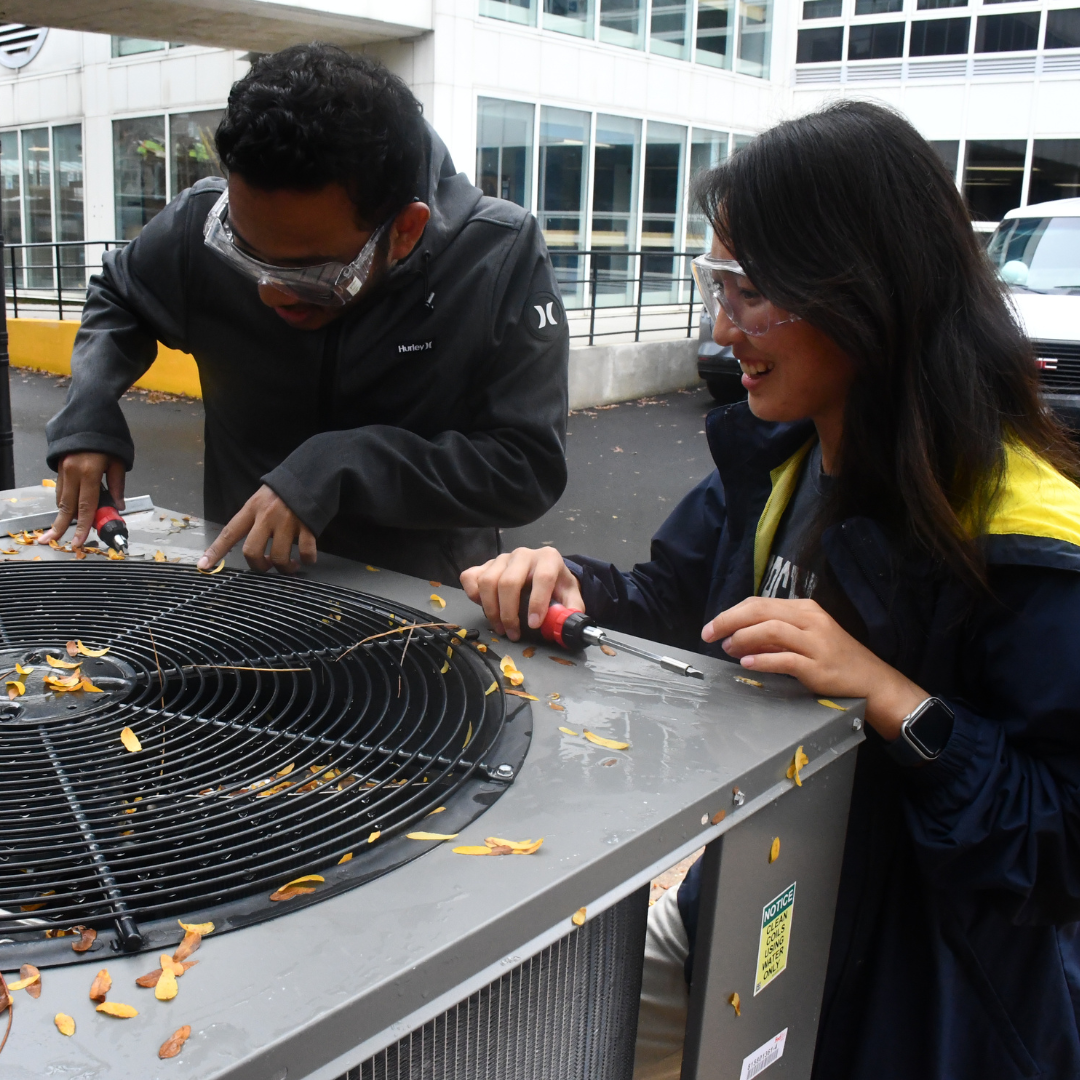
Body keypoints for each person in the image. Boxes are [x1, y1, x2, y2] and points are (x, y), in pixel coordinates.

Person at [460, 100, 1080, 1080]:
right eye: (718, 283)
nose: (720, 327)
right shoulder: (788, 458)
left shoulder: (1023, 533)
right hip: (751, 917)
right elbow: (680, 603)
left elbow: (1058, 847)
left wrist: (894, 700)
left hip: (923, 1012)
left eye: (748, 290)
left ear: (864, 291)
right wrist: (565, 580)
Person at [43, 45, 568, 581]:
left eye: (309, 274)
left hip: (419, 604)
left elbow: (527, 468)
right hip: (244, 589)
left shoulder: (497, 256)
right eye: (245, 256)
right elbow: (119, 294)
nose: (270, 293)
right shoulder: (199, 222)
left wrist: (344, 465)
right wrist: (87, 412)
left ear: (405, 230)